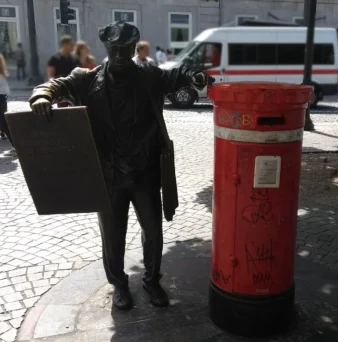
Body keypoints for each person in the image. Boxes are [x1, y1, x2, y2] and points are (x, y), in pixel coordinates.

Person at [29, 21, 214, 311]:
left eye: (125, 49)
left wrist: (197, 76)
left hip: (145, 174)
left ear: (132, 49)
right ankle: (118, 284)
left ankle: (152, 281)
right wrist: (42, 96)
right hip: (109, 175)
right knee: (113, 236)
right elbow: (53, 84)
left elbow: (178, 74)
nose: (119, 55)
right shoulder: (87, 79)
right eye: (114, 49)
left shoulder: (149, 76)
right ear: (107, 48)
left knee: (153, 233)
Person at [0, 53, 13, 157]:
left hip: (1, 97)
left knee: (4, 123)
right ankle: (16, 146)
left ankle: (17, 146)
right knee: (4, 123)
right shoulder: (1, 73)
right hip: (2, 97)